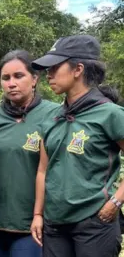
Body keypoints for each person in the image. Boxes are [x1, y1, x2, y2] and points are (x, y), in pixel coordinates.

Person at [30, 34, 124, 257]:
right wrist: (38, 215)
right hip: (55, 224)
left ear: (78, 69)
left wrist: (116, 201)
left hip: (95, 223)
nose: (48, 75)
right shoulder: (52, 117)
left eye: (54, 68)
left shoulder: (110, 114)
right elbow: (43, 169)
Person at [0, 50, 60, 257]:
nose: (11, 83)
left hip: (32, 223)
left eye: (19, 76)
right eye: (5, 78)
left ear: (34, 79)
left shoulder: (54, 115)